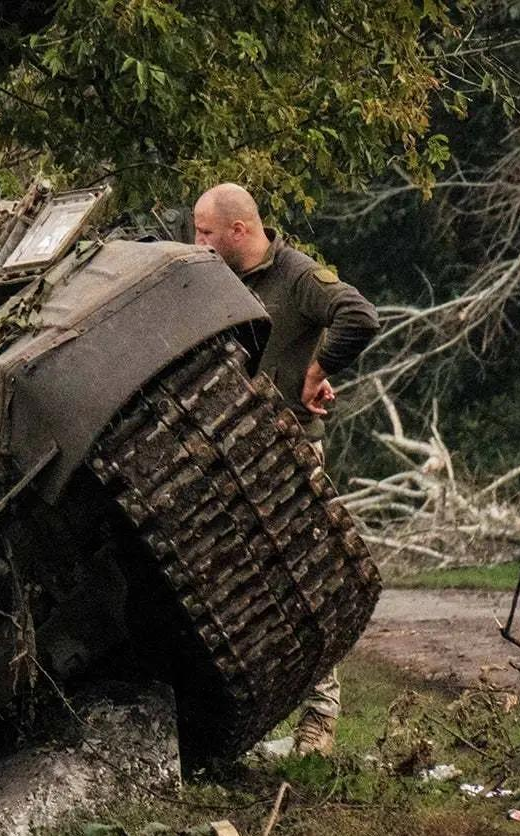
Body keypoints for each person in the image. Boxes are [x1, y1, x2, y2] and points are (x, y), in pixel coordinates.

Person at [193, 183, 381, 755]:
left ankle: (319, 723)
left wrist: (318, 367)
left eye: (205, 232)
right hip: (224, 452)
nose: (195, 241)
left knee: (303, 582)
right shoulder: (207, 276)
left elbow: (358, 314)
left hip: (290, 449)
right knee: (239, 592)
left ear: (239, 231)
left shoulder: (296, 276)